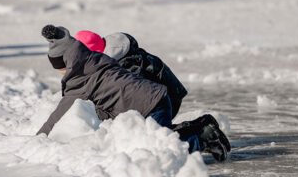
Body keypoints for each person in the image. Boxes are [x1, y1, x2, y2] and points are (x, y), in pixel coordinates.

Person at [37, 25, 230, 162]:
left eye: (60, 69)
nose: (61, 74)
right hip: (156, 100)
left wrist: (42, 135)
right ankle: (200, 126)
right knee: (159, 135)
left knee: (158, 148)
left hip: (152, 103)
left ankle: (204, 139)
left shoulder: (79, 81)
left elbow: (60, 113)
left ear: (67, 64)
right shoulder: (98, 60)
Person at [74, 30, 187, 118]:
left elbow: (138, 94)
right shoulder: (117, 55)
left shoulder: (125, 64)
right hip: (163, 95)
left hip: (168, 100)